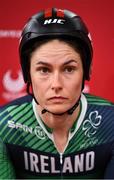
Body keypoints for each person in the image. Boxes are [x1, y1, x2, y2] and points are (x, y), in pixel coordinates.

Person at [0, 7, 114, 179]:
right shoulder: (4, 126)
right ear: (27, 73)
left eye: (69, 69)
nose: (56, 84)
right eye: (44, 70)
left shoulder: (111, 123)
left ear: (85, 71)